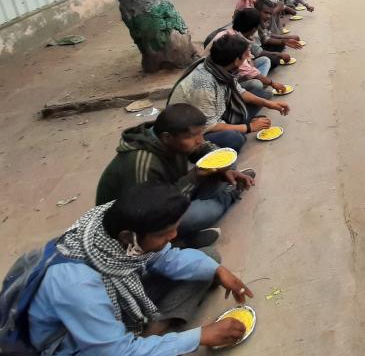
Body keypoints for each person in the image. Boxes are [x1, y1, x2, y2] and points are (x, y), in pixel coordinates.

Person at [27, 184, 253, 354]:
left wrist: (217, 271)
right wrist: (198, 337)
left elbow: (166, 258)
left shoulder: (108, 225)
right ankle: (147, 341)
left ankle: (149, 335)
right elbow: (114, 352)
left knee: (209, 259)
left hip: (115, 300)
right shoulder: (77, 286)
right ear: (128, 237)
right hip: (78, 343)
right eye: (165, 234)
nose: (173, 237)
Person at [95, 104, 255, 245]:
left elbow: (205, 149)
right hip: (143, 222)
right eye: (192, 136)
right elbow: (152, 214)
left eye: (201, 133)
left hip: (169, 191)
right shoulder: (141, 164)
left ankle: (227, 186)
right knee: (202, 214)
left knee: (226, 163)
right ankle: (177, 242)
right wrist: (195, 176)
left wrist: (224, 170)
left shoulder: (173, 139)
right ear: (167, 137)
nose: (199, 140)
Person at [167, 34, 290, 153]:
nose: (249, 56)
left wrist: (271, 105)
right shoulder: (203, 83)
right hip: (196, 130)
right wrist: (249, 128)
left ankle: (240, 122)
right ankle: (242, 124)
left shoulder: (222, 68)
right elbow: (209, 126)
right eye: (245, 54)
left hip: (218, 112)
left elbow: (240, 92)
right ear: (236, 60)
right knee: (235, 139)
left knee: (262, 95)